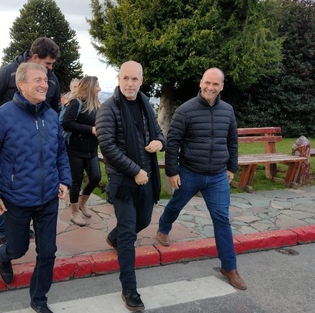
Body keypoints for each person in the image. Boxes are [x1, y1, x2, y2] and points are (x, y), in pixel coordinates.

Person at [0, 62, 71, 313]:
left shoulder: (50, 114)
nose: (44, 84)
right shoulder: (2, 116)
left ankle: (39, 299)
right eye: (37, 79)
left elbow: (60, 150)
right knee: (18, 249)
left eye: (46, 80)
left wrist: (64, 180)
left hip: (48, 198)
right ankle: (3, 256)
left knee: (48, 252)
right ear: (21, 84)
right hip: (15, 200)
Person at [156, 67, 247, 290]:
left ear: (222, 87)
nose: (211, 87)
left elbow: (232, 142)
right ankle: (163, 227)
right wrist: (172, 171)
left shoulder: (227, 111)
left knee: (222, 220)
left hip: (217, 176)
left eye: (216, 84)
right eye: (208, 82)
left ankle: (230, 267)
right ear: (201, 83)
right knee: (176, 204)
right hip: (189, 172)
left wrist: (231, 167)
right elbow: (173, 142)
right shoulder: (185, 110)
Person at [96, 60, 166, 312]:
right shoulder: (108, 108)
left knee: (144, 221)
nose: (130, 83)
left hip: (145, 177)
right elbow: (108, 147)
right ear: (118, 79)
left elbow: (159, 133)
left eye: (135, 79)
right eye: (125, 78)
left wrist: (159, 143)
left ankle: (113, 237)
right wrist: (135, 170)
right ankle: (129, 289)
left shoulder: (146, 104)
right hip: (123, 180)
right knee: (128, 233)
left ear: (141, 80)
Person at [0, 37, 61, 245]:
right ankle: (4, 232)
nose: (50, 69)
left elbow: (55, 108)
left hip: (38, 140)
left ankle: (25, 228)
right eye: (48, 64)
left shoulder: (51, 79)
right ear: (35, 58)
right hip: (7, 139)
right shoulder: (7, 72)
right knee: (5, 183)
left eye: (52, 65)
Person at [62, 76, 102, 226]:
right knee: (76, 181)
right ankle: (74, 212)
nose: (99, 88)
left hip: (91, 149)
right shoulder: (76, 102)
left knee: (96, 177)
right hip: (75, 149)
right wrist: (90, 129)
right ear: (90, 87)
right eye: (97, 86)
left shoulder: (97, 104)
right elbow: (67, 123)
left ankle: (82, 202)